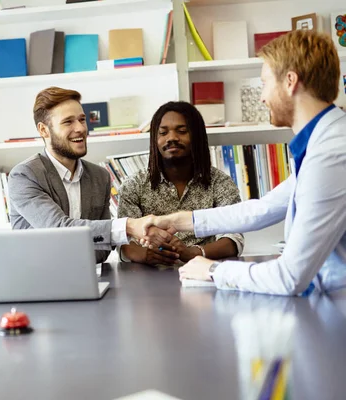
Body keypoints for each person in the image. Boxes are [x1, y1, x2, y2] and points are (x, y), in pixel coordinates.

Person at [141, 30, 346, 295]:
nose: (262, 97)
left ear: (290, 81)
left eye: (264, 83)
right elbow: (261, 209)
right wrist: (177, 220)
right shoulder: (324, 143)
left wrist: (212, 270)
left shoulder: (331, 154)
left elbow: (290, 277)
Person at [7, 86, 172, 263]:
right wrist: (129, 226)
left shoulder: (100, 177)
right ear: (43, 130)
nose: (81, 128)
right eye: (68, 122)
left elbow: (102, 252)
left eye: (82, 119)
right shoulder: (24, 176)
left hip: (88, 277)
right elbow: (57, 228)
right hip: (35, 279)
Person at [118, 101, 244, 266]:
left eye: (182, 131)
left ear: (197, 136)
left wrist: (193, 253)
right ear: (155, 140)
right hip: (149, 276)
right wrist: (146, 255)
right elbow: (123, 240)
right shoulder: (133, 185)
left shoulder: (220, 182)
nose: (172, 138)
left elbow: (233, 239)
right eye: (163, 133)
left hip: (204, 272)